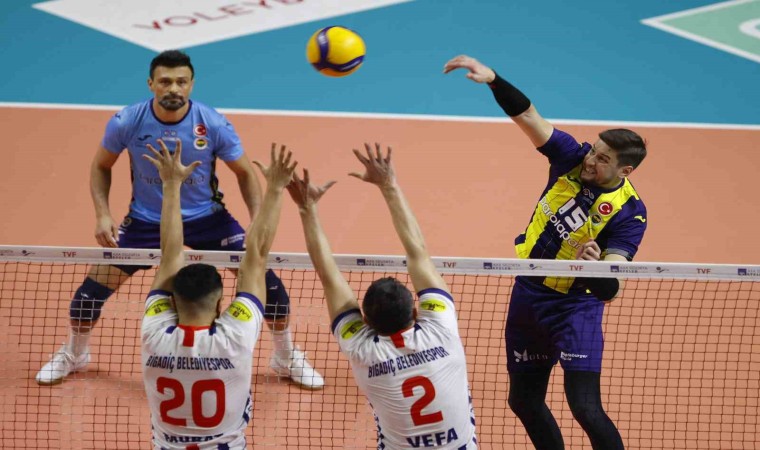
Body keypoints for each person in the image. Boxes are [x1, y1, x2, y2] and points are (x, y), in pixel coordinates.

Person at [36, 50, 323, 389]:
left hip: (209, 219)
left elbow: (245, 172)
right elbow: (101, 165)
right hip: (145, 222)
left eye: (181, 82)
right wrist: (103, 214)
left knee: (271, 288)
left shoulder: (212, 123)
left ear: (191, 84)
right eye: (165, 81)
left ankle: (285, 356)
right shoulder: (127, 122)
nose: (174, 88)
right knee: (88, 296)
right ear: (151, 84)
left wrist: (256, 219)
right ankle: (75, 353)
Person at [444, 55, 648, 450]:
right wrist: (493, 79)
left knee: (586, 408)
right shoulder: (570, 158)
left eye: (603, 159)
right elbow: (528, 117)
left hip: (576, 306)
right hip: (529, 295)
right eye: (595, 150)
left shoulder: (629, 214)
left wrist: (595, 268)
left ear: (625, 171)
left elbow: (611, 289)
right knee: (523, 400)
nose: (591, 159)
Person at [285, 143, 478, 449]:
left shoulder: (362, 350)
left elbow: (328, 275)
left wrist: (307, 208)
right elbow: (418, 252)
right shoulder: (441, 330)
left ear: (366, 322)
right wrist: (389, 185)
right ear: (415, 312)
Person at [141, 139, 296, 449]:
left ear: (173, 301)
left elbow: (170, 255)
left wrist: (170, 184)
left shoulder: (154, 332)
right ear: (220, 304)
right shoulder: (234, 337)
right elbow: (257, 255)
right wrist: (276, 188)